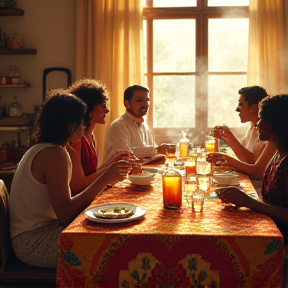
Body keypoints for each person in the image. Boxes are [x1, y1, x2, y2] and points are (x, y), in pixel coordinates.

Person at [8, 90, 131, 268]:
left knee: (108, 229)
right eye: (81, 122)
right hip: (34, 242)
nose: (83, 127)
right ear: (70, 126)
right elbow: (65, 214)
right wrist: (105, 179)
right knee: (112, 246)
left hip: (33, 234)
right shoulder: (54, 154)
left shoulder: (41, 149)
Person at [215, 94, 288, 285]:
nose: (257, 124)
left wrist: (248, 201)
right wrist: (243, 198)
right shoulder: (278, 154)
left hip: (279, 242)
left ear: (274, 124)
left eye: (262, 119)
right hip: (269, 227)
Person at [209, 86, 276, 192]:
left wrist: (226, 158)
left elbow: (253, 166)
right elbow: (242, 155)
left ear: (254, 108)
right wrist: (226, 135)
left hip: (257, 189)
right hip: (250, 185)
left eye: (240, 104)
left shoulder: (271, 136)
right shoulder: (252, 128)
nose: (236, 109)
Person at [103, 85, 166, 165]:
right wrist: (156, 150)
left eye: (147, 100)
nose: (145, 105)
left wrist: (161, 151)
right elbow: (127, 155)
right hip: (118, 176)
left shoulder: (144, 125)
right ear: (127, 104)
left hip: (139, 174)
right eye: (139, 100)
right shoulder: (118, 126)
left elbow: (154, 154)